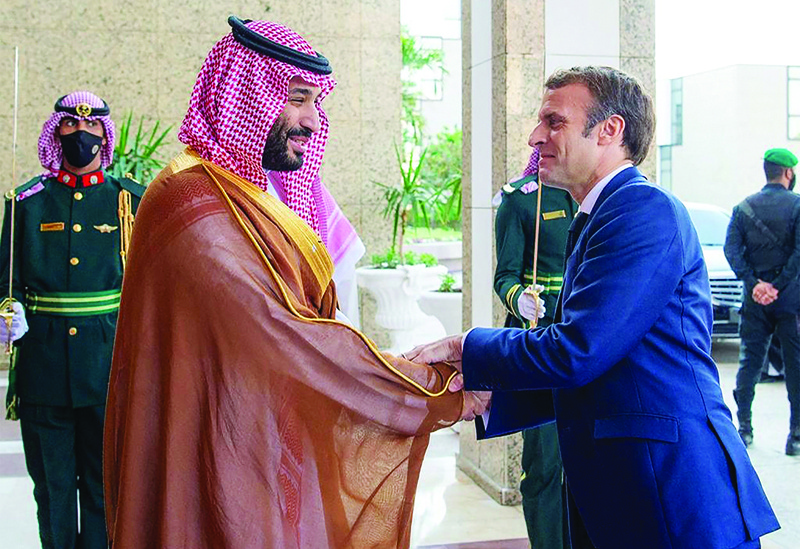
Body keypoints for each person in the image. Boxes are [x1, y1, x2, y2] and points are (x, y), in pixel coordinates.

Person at [102, 18, 486, 549]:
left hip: (262, 437)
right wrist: (436, 390)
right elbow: (290, 335)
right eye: (297, 99)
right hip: (215, 445)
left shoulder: (243, 193)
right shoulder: (191, 202)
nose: (312, 119)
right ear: (245, 93)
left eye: (316, 102)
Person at [406, 66, 779, 549]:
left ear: (610, 130)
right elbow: (609, 364)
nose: (535, 136)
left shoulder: (642, 210)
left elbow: (579, 349)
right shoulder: (601, 214)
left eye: (554, 121)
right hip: (629, 490)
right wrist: (494, 395)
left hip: (669, 493)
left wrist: (467, 346)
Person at [0, 91, 145, 549]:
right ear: (55, 132)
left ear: (106, 135)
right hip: (43, 365)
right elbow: (8, 280)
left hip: (108, 365)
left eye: (92, 127)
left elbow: (151, 286)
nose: (81, 135)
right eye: (69, 126)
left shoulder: (129, 202)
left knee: (106, 489)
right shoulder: (27, 202)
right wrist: (10, 312)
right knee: (54, 489)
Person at [493, 147, 575, 548]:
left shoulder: (594, 197)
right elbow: (504, 275)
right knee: (544, 461)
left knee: (588, 462)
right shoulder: (522, 198)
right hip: (539, 341)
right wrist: (519, 298)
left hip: (590, 344)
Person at [724, 148, 800, 455]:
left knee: (749, 363)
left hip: (754, 302)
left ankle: (744, 429)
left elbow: (732, 251)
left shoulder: (743, 208)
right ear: (788, 173)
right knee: (795, 367)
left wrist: (755, 285)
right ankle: (795, 436)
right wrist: (778, 286)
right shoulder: (797, 207)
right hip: (791, 303)